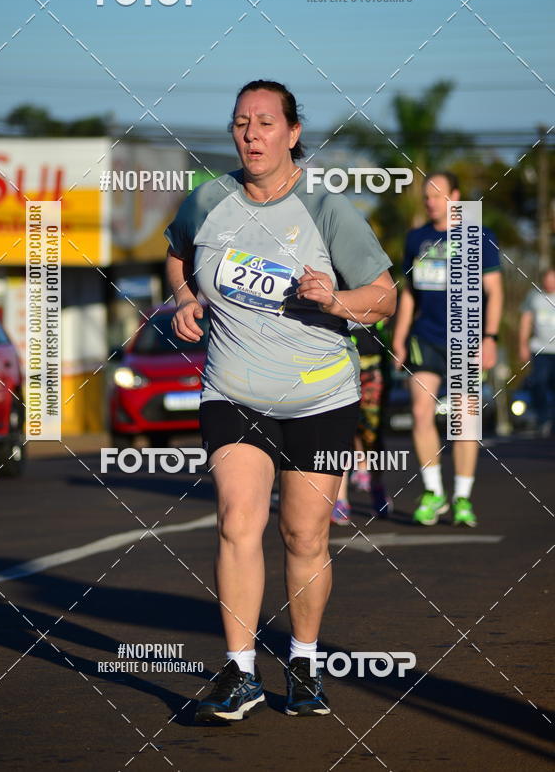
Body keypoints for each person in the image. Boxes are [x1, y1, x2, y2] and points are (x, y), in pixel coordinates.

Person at [164, 80, 395, 723]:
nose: (251, 133)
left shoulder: (326, 209)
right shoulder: (208, 200)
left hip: (321, 397)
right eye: (241, 122)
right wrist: (186, 299)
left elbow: (383, 296)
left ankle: (304, 662)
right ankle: (240, 673)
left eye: (266, 122)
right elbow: (176, 254)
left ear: (293, 133)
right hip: (233, 390)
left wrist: (334, 300)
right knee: (238, 521)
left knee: (304, 534)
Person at [392, 172, 503, 527]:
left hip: (466, 339)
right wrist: (399, 338)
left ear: (455, 196)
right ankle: (434, 492)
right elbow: (409, 293)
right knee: (421, 412)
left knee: (464, 421)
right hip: (424, 337)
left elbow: (494, 291)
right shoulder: (416, 238)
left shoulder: (479, 235)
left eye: (437, 195)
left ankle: (463, 498)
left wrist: (490, 338)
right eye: (427, 196)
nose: (430, 201)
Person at [331, 320, 393, 523]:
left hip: (370, 357)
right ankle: (340, 498)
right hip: (336, 355)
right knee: (339, 430)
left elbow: (387, 310)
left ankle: (376, 484)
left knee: (371, 433)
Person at [519, 268, 555, 434]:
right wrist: (523, 345)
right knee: (539, 382)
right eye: (548, 279)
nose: (550, 283)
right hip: (540, 349)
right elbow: (526, 320)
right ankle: (543, 419)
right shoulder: (534, 296)